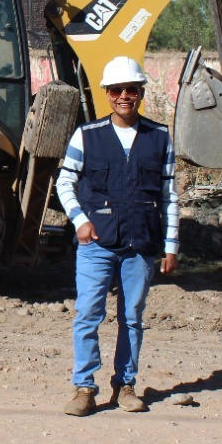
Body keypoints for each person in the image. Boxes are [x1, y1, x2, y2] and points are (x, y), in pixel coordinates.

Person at [55, 56, 179, 416]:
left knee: (132, 317)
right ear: (107, 94)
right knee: (88, 315)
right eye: (117, 90)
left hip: (140, 243)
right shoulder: (87, 135)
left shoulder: (159, 138)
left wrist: (171, 245)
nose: (125, 96)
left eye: (132, 90)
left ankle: (125, 386)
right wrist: (79, 219)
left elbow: (170, 195)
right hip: (96, 244)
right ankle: (84, 388)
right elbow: (65, 181)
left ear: (140, 93)